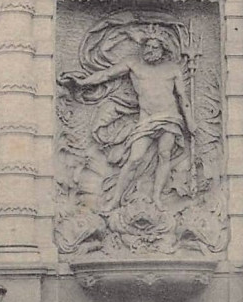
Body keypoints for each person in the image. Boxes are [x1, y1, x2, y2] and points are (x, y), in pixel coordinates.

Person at [62, 35, 195, 207]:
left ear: (163, 50)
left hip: (170, 117)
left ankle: (156, 197)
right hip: (146, 119)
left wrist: (190, 120)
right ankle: (116, 199)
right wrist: (82, 82)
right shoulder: (133, 64)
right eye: (147, 46)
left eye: (155, 47)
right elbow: (106, 75)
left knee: (164, 155)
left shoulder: (172, 69)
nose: (150, 50)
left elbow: (183, 97)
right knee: (134, 158)